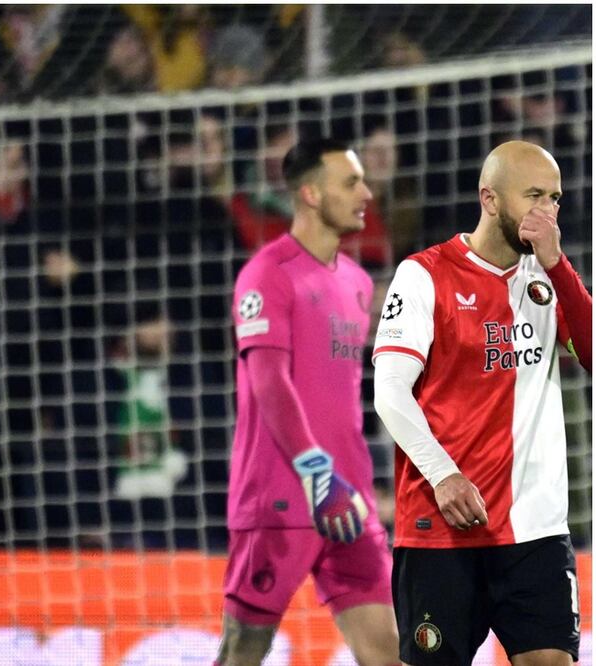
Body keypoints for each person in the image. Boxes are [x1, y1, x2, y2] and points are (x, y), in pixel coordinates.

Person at [372, 140, 592, 666]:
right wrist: (443, 474)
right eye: (534, 195)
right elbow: (390, 391)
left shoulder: (548, 280)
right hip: (441, 530)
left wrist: (558, 264)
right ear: (489, 199)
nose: (547, 211)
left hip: (535, 528)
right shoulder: (424, 275)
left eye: (555, 199)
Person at [219, 138, 399, 666]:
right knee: (241, 654)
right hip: (282, 499)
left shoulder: (360, 283)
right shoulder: (267, 273)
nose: (366, 192)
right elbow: (268, 381)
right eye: (351, 182)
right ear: (311, 194)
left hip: (350, 502)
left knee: (392, 652)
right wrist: (315, 471)